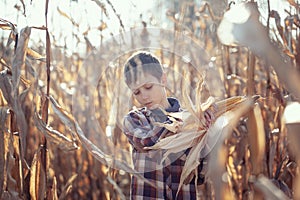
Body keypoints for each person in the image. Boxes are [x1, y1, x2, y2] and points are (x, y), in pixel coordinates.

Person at [122, 51, 213, 199]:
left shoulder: (191, 121)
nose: (144, 96)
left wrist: (206, 131)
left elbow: (200, 176)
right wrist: (183, 120)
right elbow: (149, 144)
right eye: (137, 92)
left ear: (163, 79)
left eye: (148, 87)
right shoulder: (134, 120)